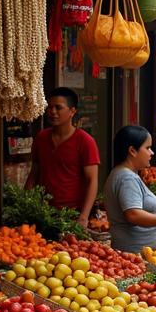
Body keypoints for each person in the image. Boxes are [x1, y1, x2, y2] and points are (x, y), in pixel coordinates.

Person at [104, 126, 156, 254]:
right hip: (136, 255)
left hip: (141, 254)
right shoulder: (127, 178)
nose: (152, 153)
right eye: (148, 148)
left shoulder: (123, 174)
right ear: (132, 151)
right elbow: (133, 214)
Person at [26, 87, 100, 228]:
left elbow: (92, 181)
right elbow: (34, 174)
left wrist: (83, 217)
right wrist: (27, 203)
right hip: (43, 213)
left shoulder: (85, 141)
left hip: (72, 215)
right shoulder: (41, 138)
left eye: (58, 108)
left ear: (72, 111)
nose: (52, 112)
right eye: (50, 107)